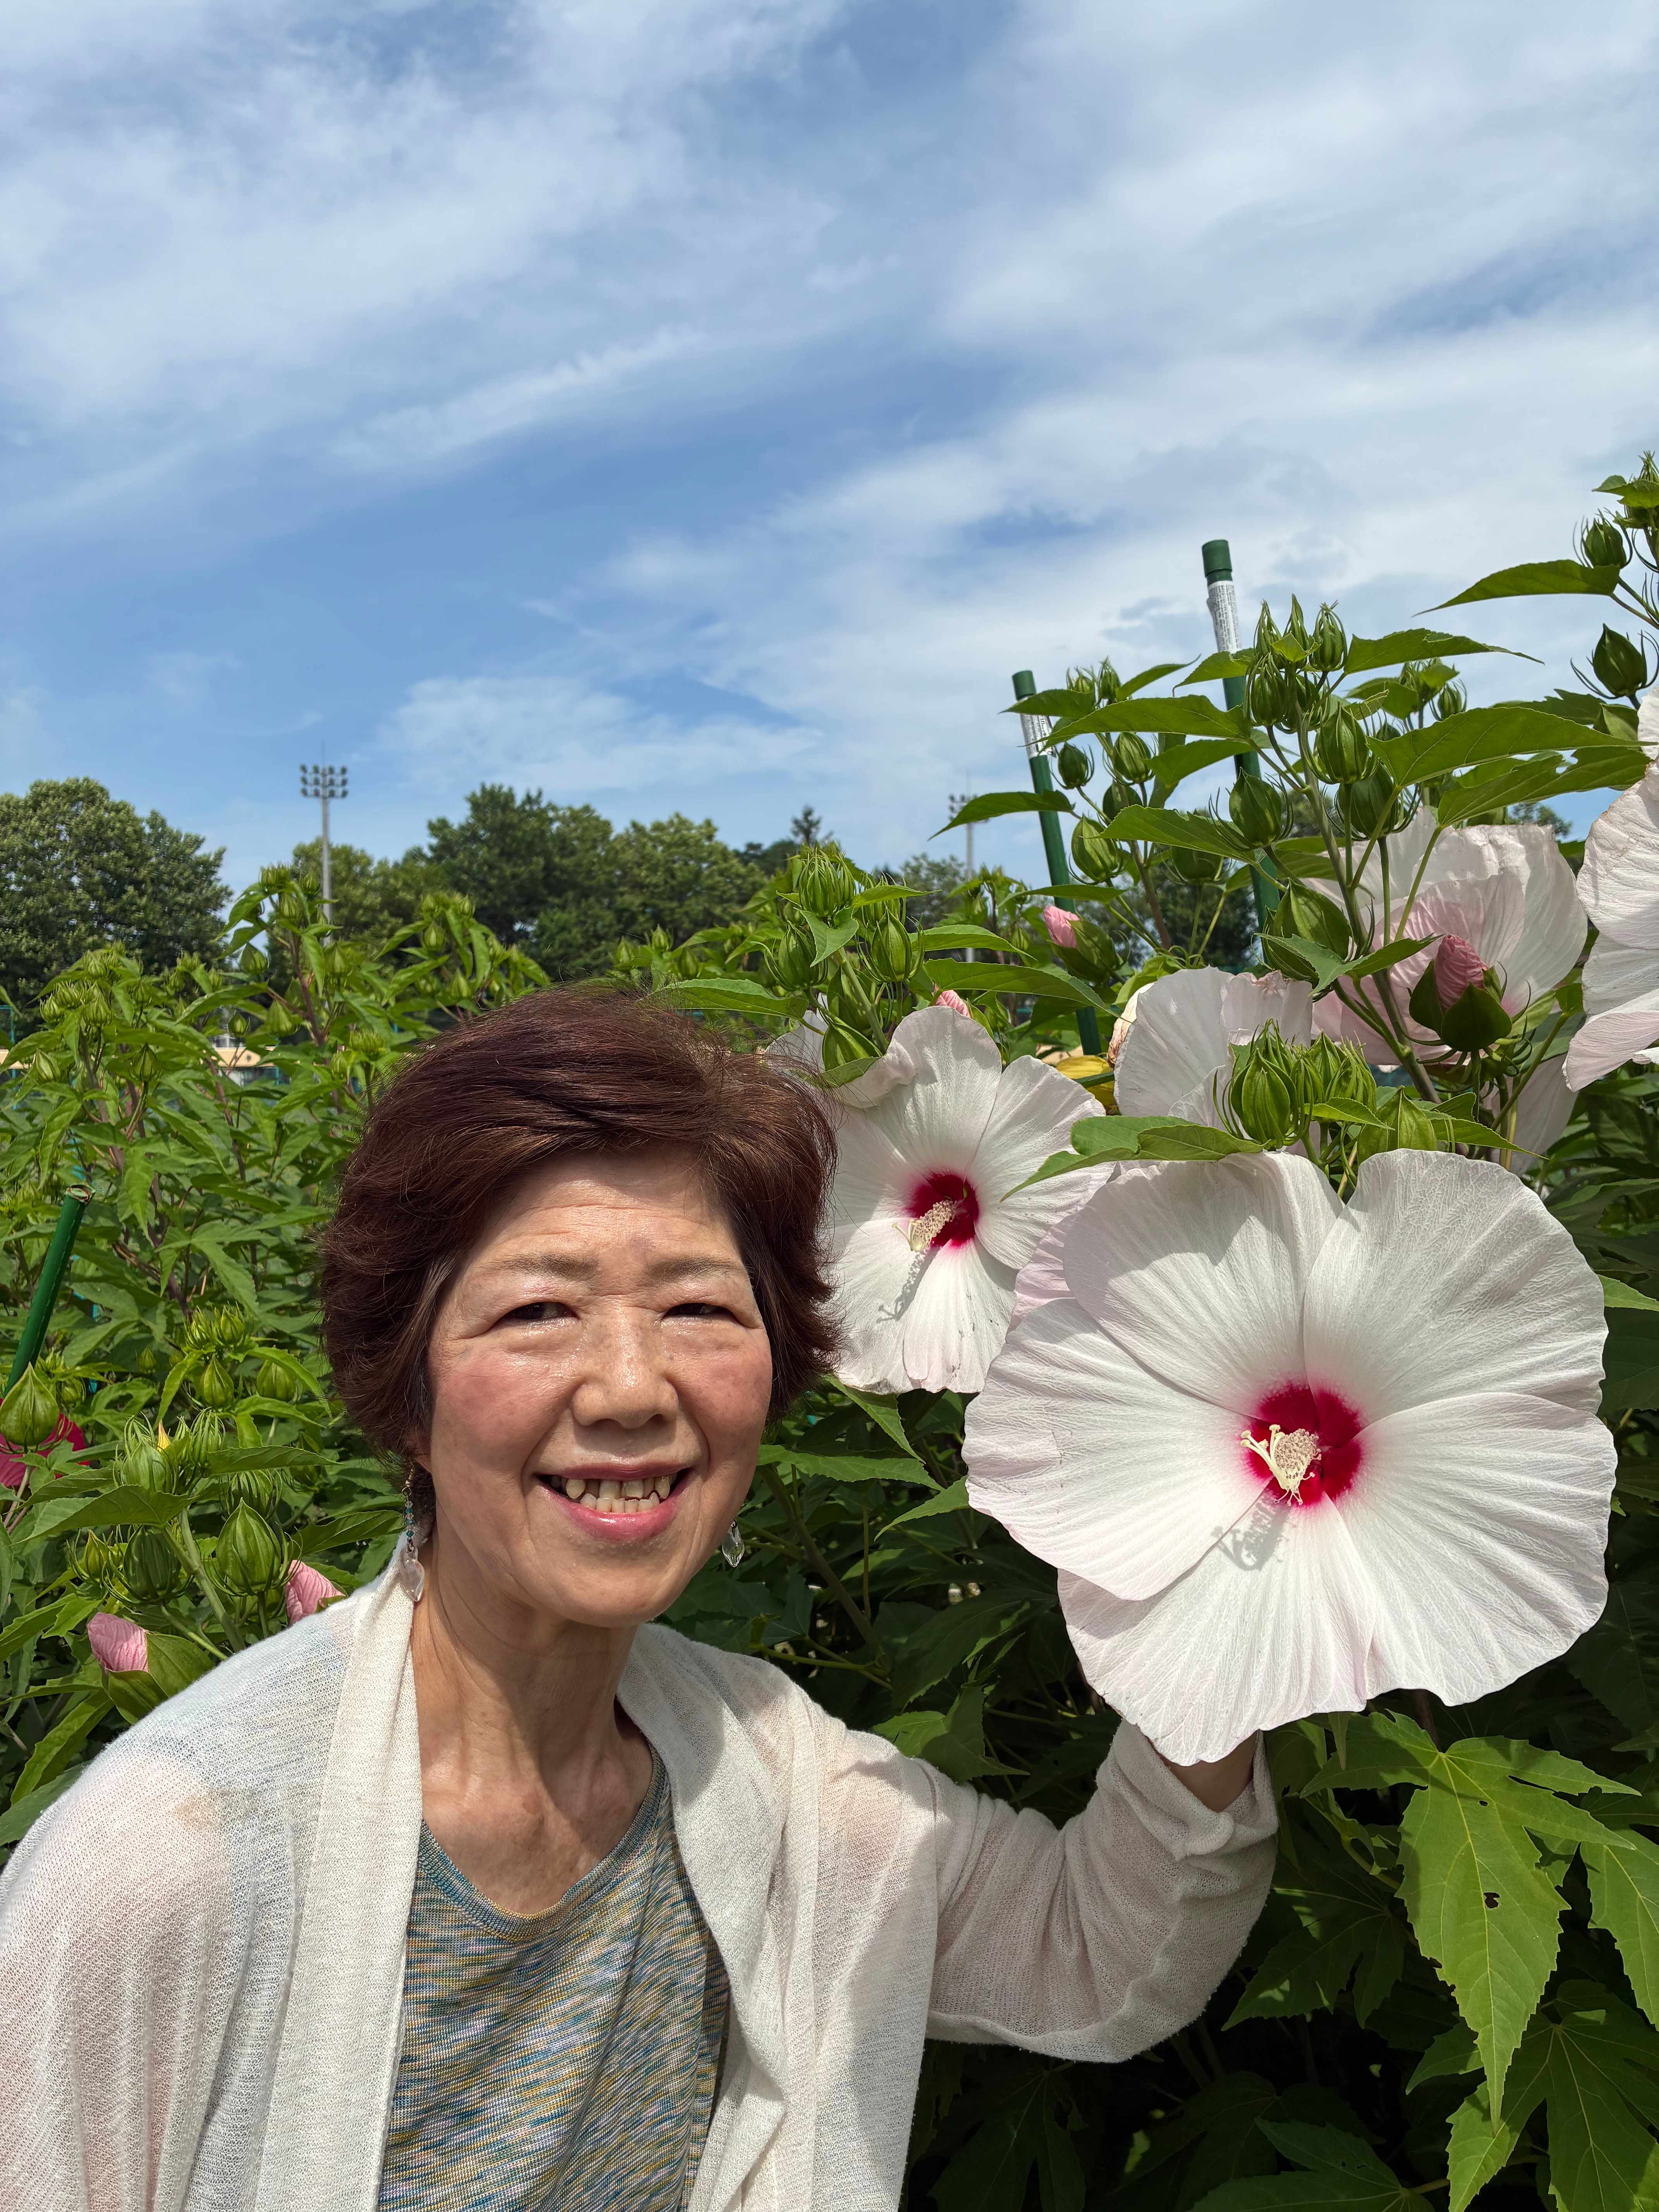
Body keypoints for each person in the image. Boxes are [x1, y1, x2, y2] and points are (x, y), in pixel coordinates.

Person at [0, 989, 1276, 2212]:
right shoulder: (169, 1861)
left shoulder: (772, 1776)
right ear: (406, 1384)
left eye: (697, 1307)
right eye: (537, 1308)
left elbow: (1097, 1956)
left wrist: (1206, 1544)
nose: (629, 1386)